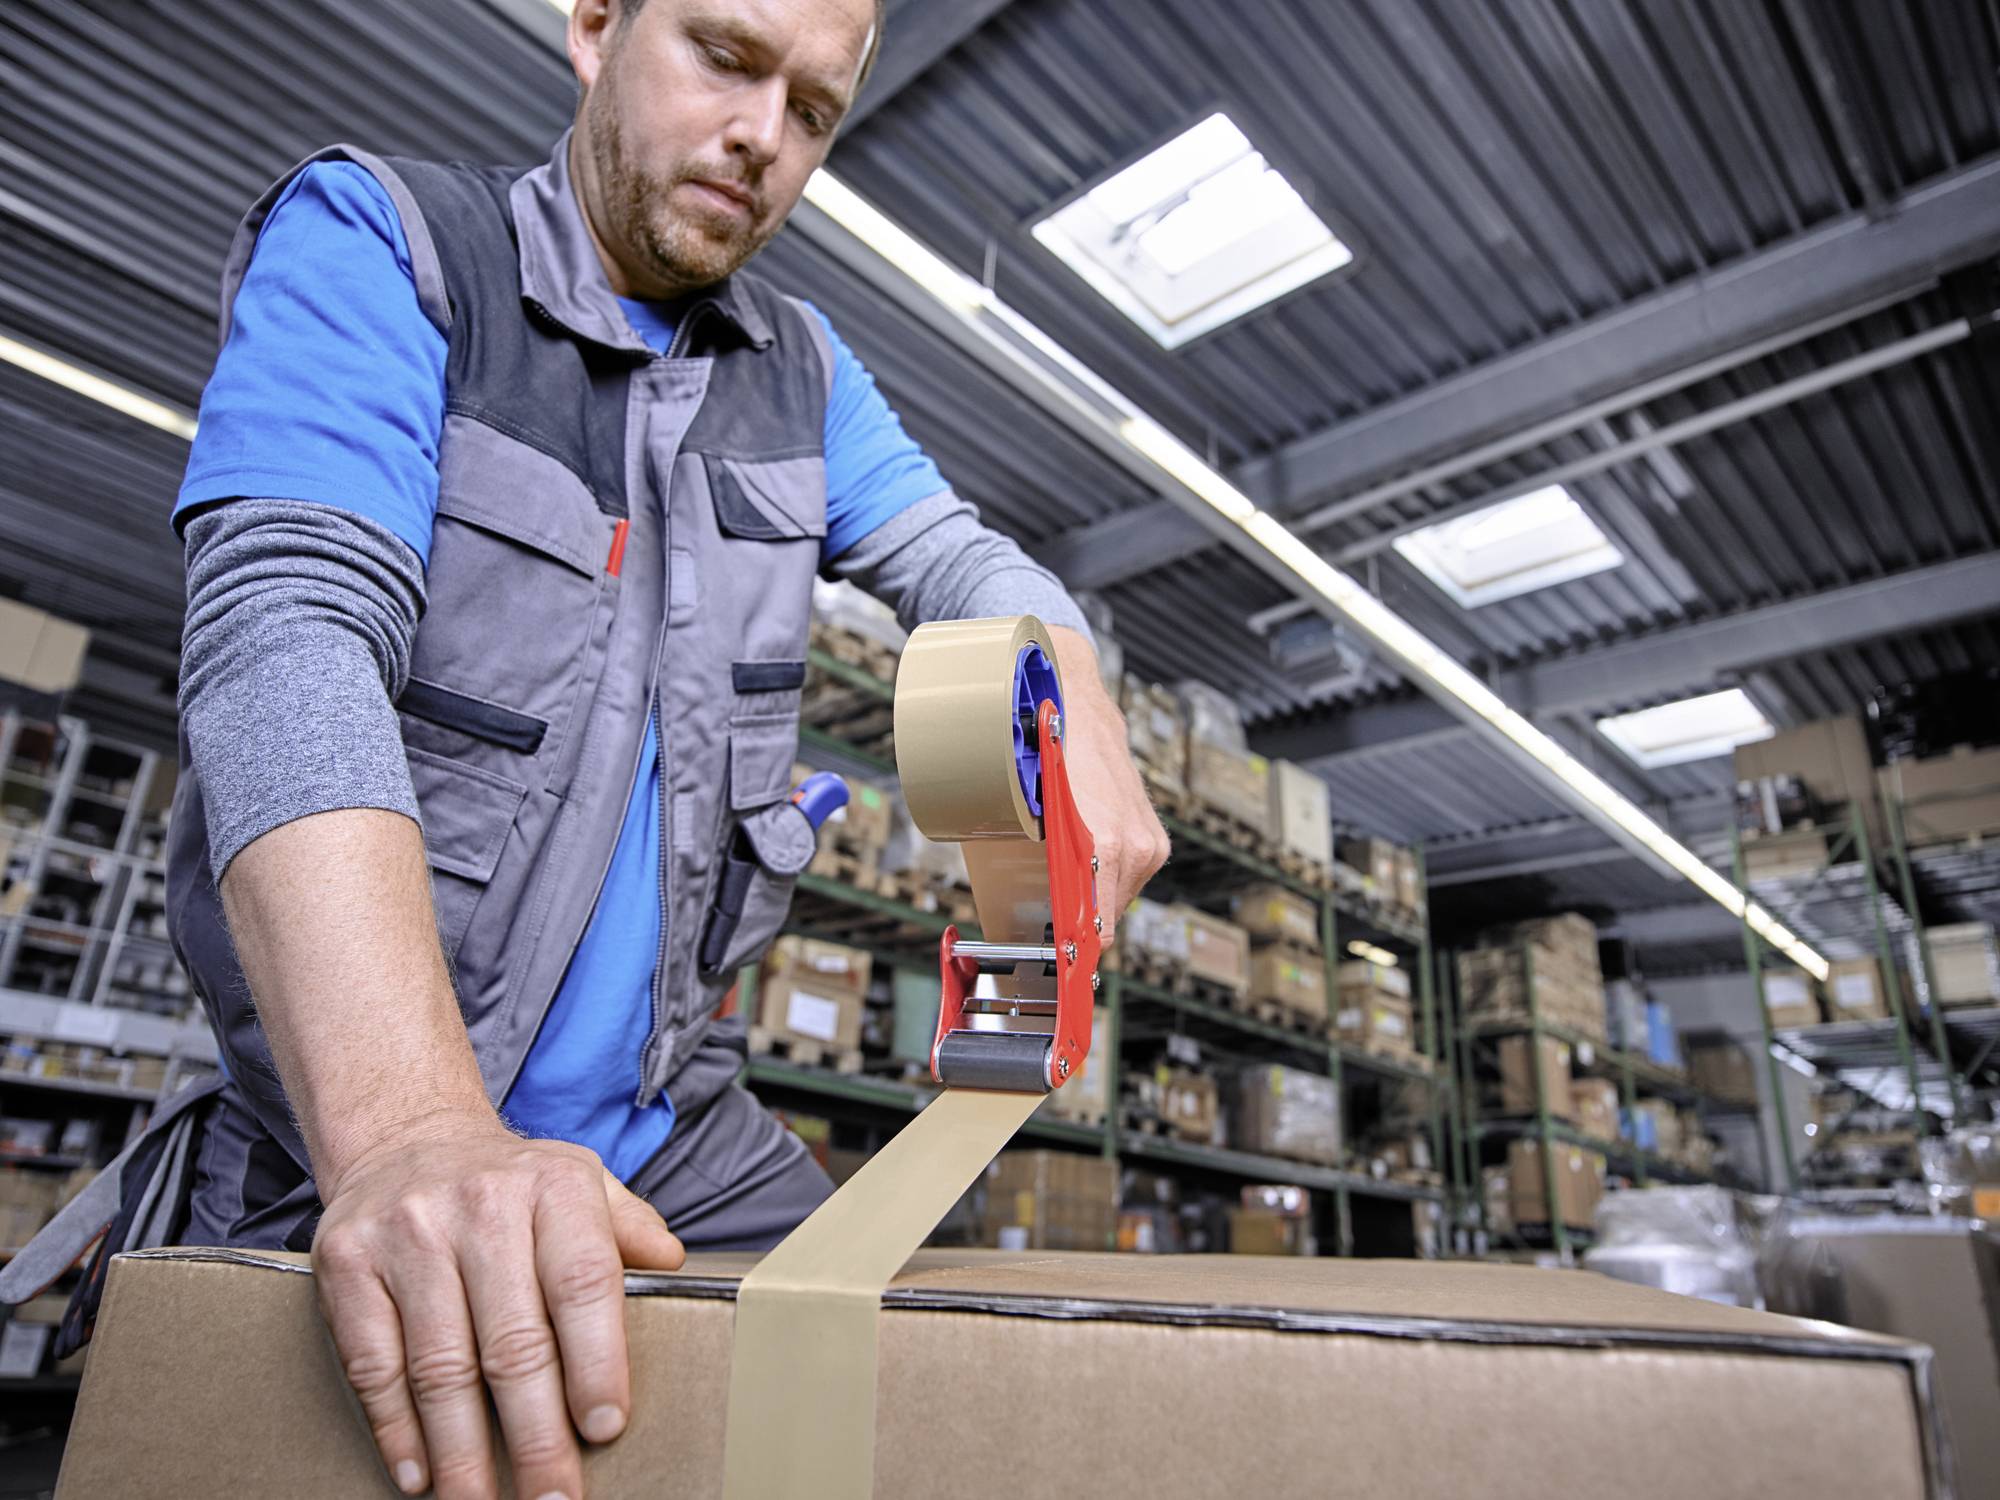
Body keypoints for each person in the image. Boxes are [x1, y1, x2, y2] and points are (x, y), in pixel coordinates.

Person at [163, 0, 1168, 1496]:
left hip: (674, 1135)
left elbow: (964, 562)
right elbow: (283, 644)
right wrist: (409, 1132)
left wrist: (1067, 682)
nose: (765, 135)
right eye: (725, 56)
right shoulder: (393, 245)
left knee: (921, 1409)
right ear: (592, 26)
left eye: (816, 111)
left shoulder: (805, 374)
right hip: (362, 1131)